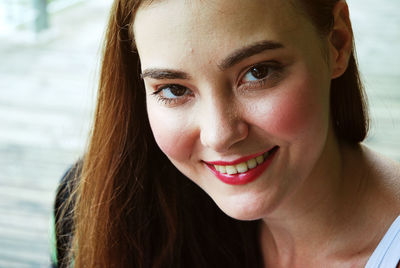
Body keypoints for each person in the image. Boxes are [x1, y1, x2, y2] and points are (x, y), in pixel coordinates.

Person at [52, 0, 400, 267]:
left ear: (337, 43)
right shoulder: (98, 208)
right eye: (173, 89)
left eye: (257, 72)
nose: (219, 135)